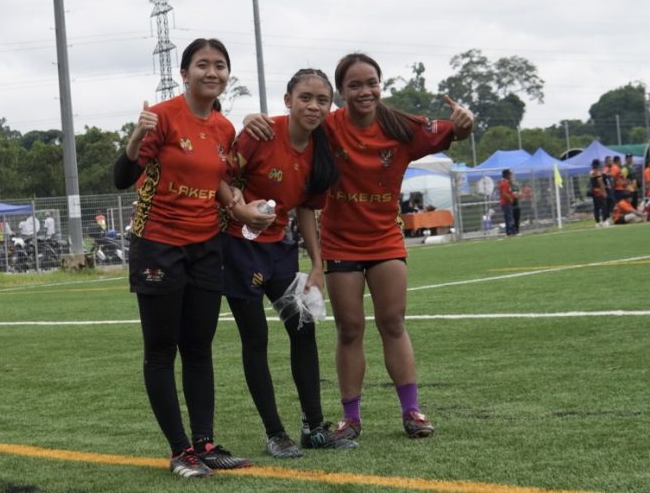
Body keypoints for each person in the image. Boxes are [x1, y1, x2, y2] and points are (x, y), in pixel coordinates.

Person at [244, 52, 473, 440]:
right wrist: (253, 118)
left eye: (371, 83)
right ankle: (350, 418)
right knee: (349, 329)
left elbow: (455, 131)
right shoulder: (327, 126)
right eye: (354, 85)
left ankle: (412, 412)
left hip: (385, 240)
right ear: (341, 93)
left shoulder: (401, 125)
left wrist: (465, 124)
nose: (365, 91)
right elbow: (290, 124)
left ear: (381, 86)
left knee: (393, 323)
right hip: (340, 243)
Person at [112, 38, 250, 478]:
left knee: (199, 348)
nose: (212, 72)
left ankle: (204, 444)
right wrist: (136, 136)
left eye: (220, 65)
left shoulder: (224, 128)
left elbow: (219, 182)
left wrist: (241, 208)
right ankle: (179, 451)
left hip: (206, 247)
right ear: (185, 73)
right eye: (202, 65)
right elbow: (122, 177)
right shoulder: (163, 117)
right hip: (158, 245)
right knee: (161, 351)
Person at [219, 68, 356, 458]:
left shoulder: (320, 149)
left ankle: (314, 428)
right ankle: (275, 433)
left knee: (303, 328)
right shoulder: (261, 133)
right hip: (237, 248)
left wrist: (317, 264)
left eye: (322, 100)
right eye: (305, 98)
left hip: (280, 248)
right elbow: (219, 177)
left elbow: (307, 210)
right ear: (288, 100)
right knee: (256, 339)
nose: (313, 106)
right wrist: (239, 210)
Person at [589, 159, 609, 227]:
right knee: (604, 206)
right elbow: (600, 183)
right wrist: (604, 192)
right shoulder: (597, 173)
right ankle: (604, 221)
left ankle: (597, 222)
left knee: (596, 208)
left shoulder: (591, 172)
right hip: (599, 192)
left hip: (594, 192)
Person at [499, 169, 517, 236]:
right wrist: (510, 199)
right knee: (509, 217)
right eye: (510, 174)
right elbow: (504, 193)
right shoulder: (504, 183)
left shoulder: (506, 183)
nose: (511, 176)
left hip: (506, 203)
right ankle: (511, 231)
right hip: (506, 203)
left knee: (508, 217)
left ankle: (509, 232)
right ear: (507, 175)